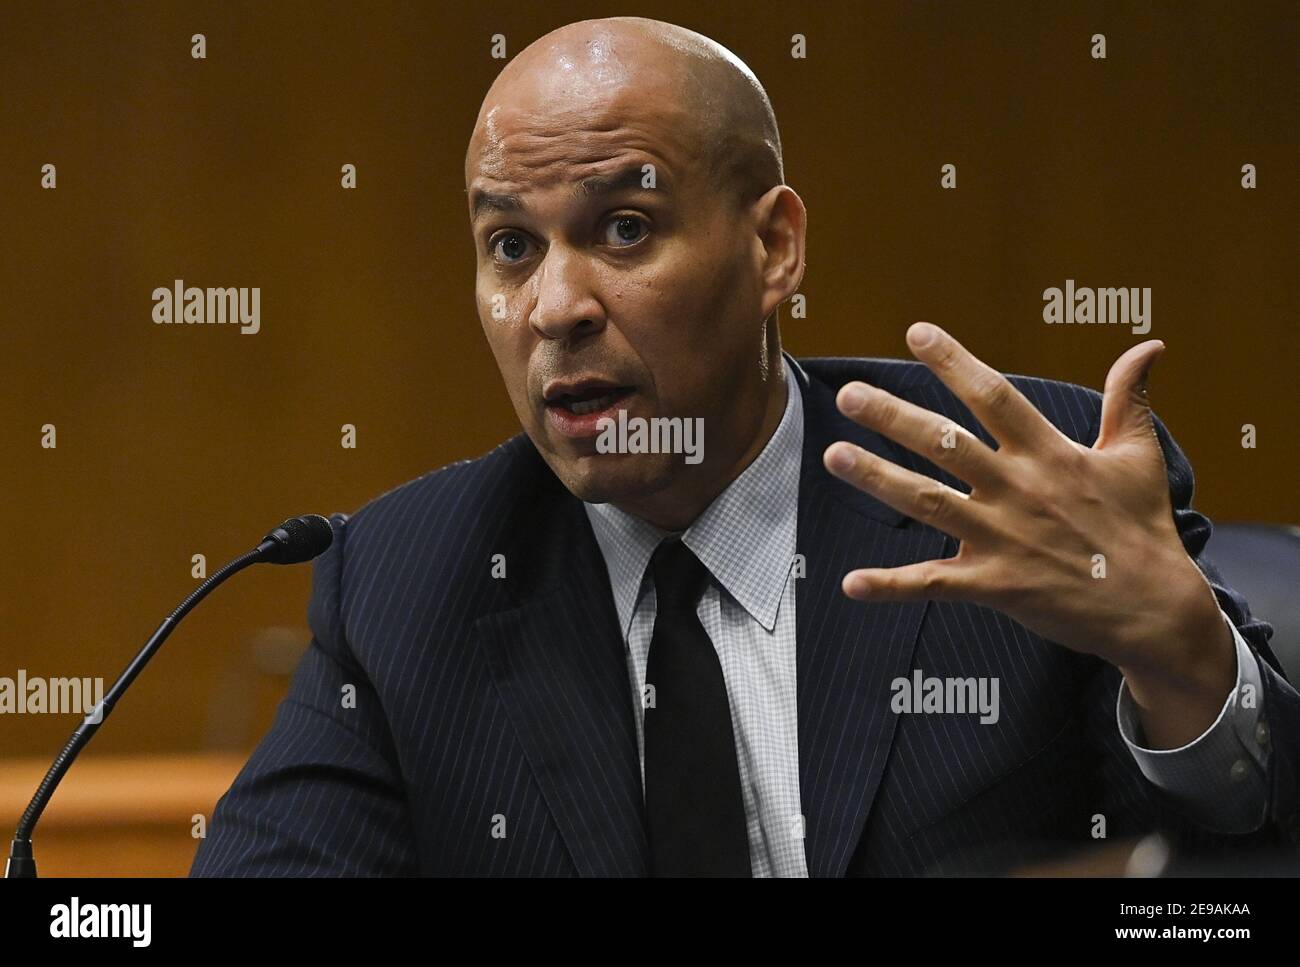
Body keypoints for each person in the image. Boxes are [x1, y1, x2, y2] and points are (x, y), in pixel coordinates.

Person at [191, 16, 1299, 877]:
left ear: (773, 248)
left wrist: (1184, 662)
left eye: (624, 228)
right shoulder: (406, 581)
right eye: (511, 246)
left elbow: (1219, 874)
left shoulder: (1013, 488)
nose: (555, 305)